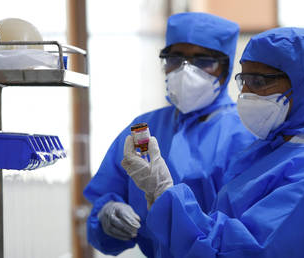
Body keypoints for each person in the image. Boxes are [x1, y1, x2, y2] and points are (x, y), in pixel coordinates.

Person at [122, 27, 304, 257]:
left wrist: (164, 192)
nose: (246, 94)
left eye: (260, 82)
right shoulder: (268, 152)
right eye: (245, 81)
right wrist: (159, 195)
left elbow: (241, 249)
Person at [83, 12, 256, 257]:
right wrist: (107, 213)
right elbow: (106, 195)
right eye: (175, 58)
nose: (186, 70)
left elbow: (251, 231)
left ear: (226, 67)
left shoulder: (247, 133)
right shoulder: (143, 128)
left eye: (203, 60)